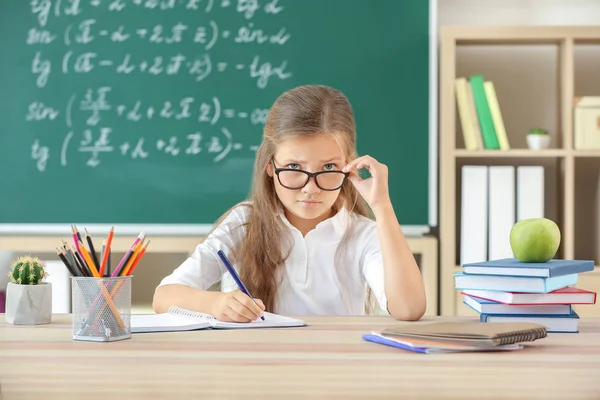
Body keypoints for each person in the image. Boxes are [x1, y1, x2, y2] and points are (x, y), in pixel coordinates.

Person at [152, 84, 426, 322]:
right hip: (258, 369)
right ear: (270, 166)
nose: (310, 187)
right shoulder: (244, 224)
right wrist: (215, 304)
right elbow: (164, 296)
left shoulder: (363, 235)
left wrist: (382, 206)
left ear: (350, 166)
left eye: (329, 166)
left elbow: (409, 308)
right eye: (294, 166)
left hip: (337, 371)